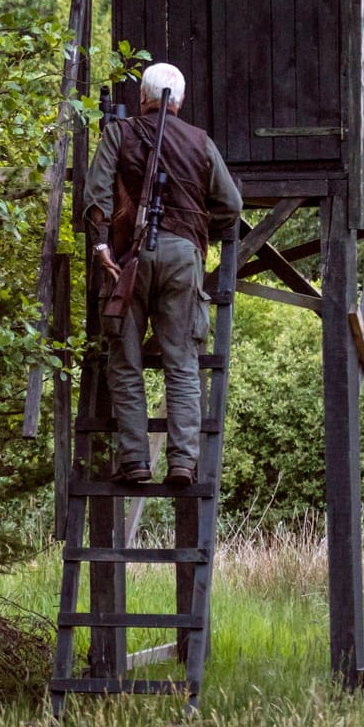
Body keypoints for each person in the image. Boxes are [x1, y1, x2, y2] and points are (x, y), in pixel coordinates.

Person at [85, 63, 242, 487]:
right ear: (182, 101)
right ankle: (183, 463)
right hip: (182, 257)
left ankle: (135, 461)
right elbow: (231, 205)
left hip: (124, 260)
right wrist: (195, 229)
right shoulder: (201, 142)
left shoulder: (118, 134)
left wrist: (102, 245)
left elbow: (95, 194)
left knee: (125, 362)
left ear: (143, 98)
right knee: (183, 364)